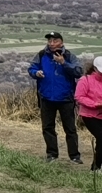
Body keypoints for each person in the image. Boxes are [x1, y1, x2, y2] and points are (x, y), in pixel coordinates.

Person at [32, 32, 84, 163]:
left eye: (55, 41)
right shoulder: (42, 54)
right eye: (50, 41)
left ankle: (74, 156)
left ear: (61, 42)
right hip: (46, 97)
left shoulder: (69, 56)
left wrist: (63, 63)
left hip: (65, 98)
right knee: (48, 127)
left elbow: (78, 72)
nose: (51, 43)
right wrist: (36, 73)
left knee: (70, 128)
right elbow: (31, 68)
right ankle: (52, 155)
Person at [77, 59, 102, 171]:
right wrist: (94, 104)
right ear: (94, 68)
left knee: (101, 140)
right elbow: (79, 97)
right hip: (90, 115)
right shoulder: (85, 80)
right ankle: (97, 167)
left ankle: (96, 166)